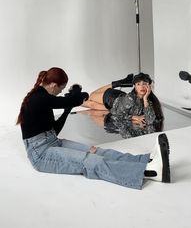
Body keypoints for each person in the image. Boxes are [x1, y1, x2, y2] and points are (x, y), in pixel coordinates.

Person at [16, 67, 170, 189]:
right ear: (54, 85)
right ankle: (150, 171)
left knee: (97, 151)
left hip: (53, 142)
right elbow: (71, 99)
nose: (60, 93)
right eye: (60, 90)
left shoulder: (43, 99)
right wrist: (74, 98)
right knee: (90, 161)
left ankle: (146, 160)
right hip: (41, 154)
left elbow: (55, 130)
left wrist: (68, 108)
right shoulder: (38, 99)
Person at [82, 72, 164, 138]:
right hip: (111, 98)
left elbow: (150, 120)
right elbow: (116, 115)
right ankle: (119, 83)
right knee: (91, 96)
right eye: (138, 84)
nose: (142, 87)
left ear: (148, 86)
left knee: (91, 104)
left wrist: (145, 98)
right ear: (135, 86)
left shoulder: (150, 101)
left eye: (144, 84)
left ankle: (76, 99)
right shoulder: (130, 99)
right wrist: (134, 117)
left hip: (118, 106)